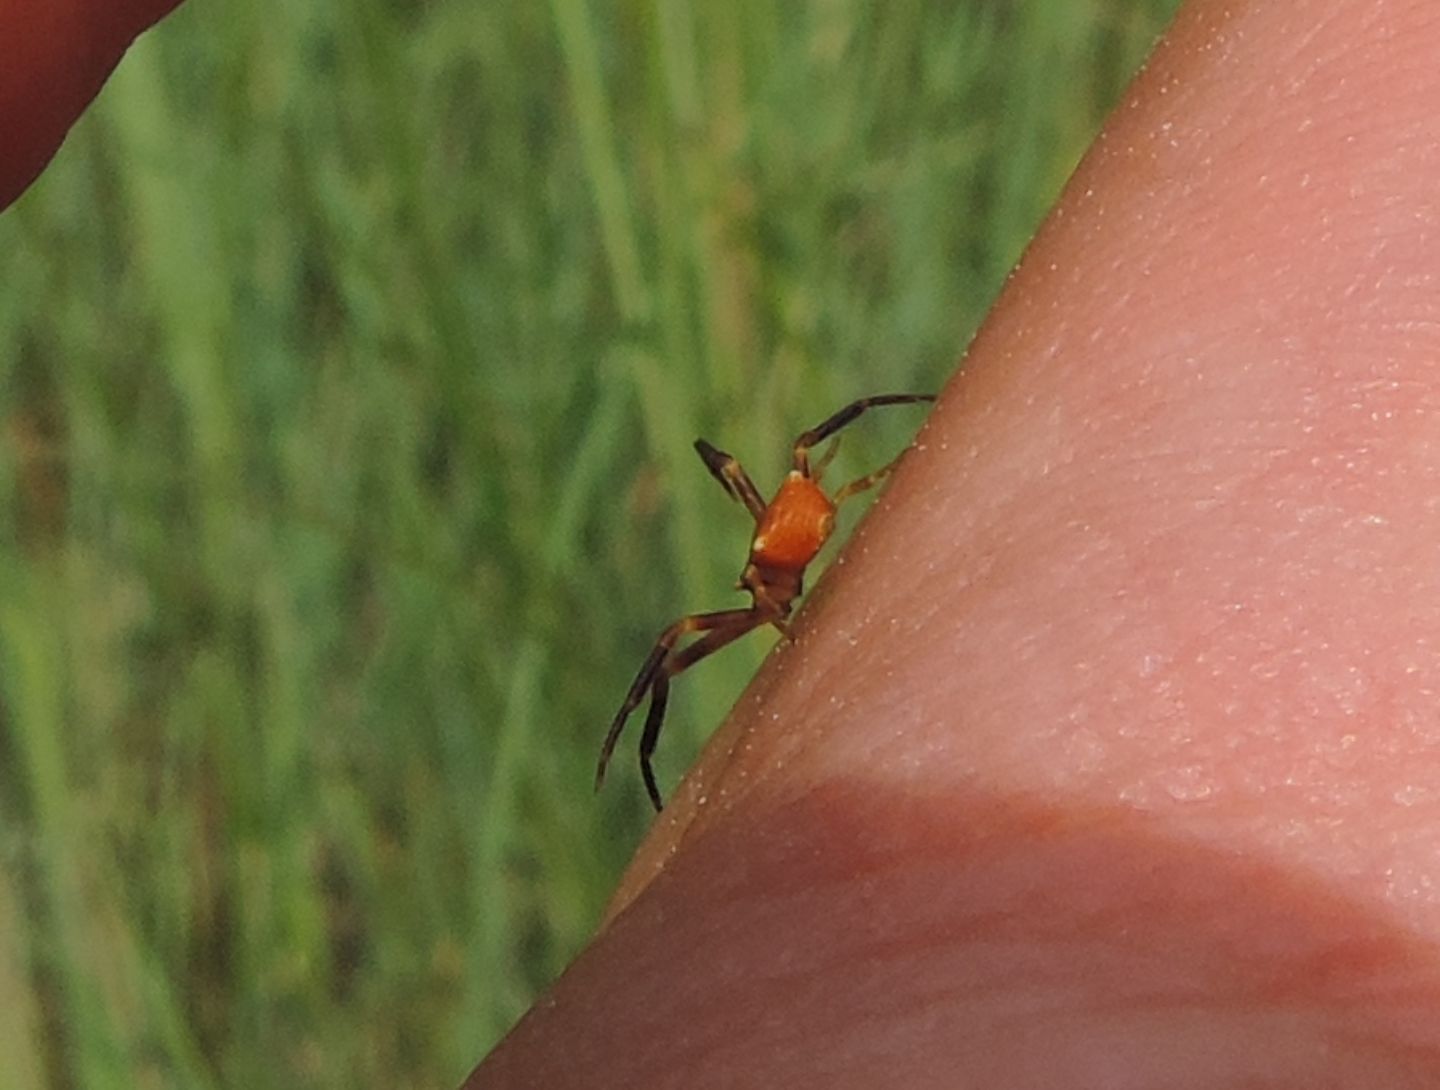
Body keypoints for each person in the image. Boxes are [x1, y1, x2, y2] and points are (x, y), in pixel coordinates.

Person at [12, 1, 1440, 1085]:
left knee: (813, 486)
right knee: (705, 613)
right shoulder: (769, 574)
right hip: (803, 560)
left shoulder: (794, 518)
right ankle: (646, 748)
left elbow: (795, 483)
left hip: (812, 536)